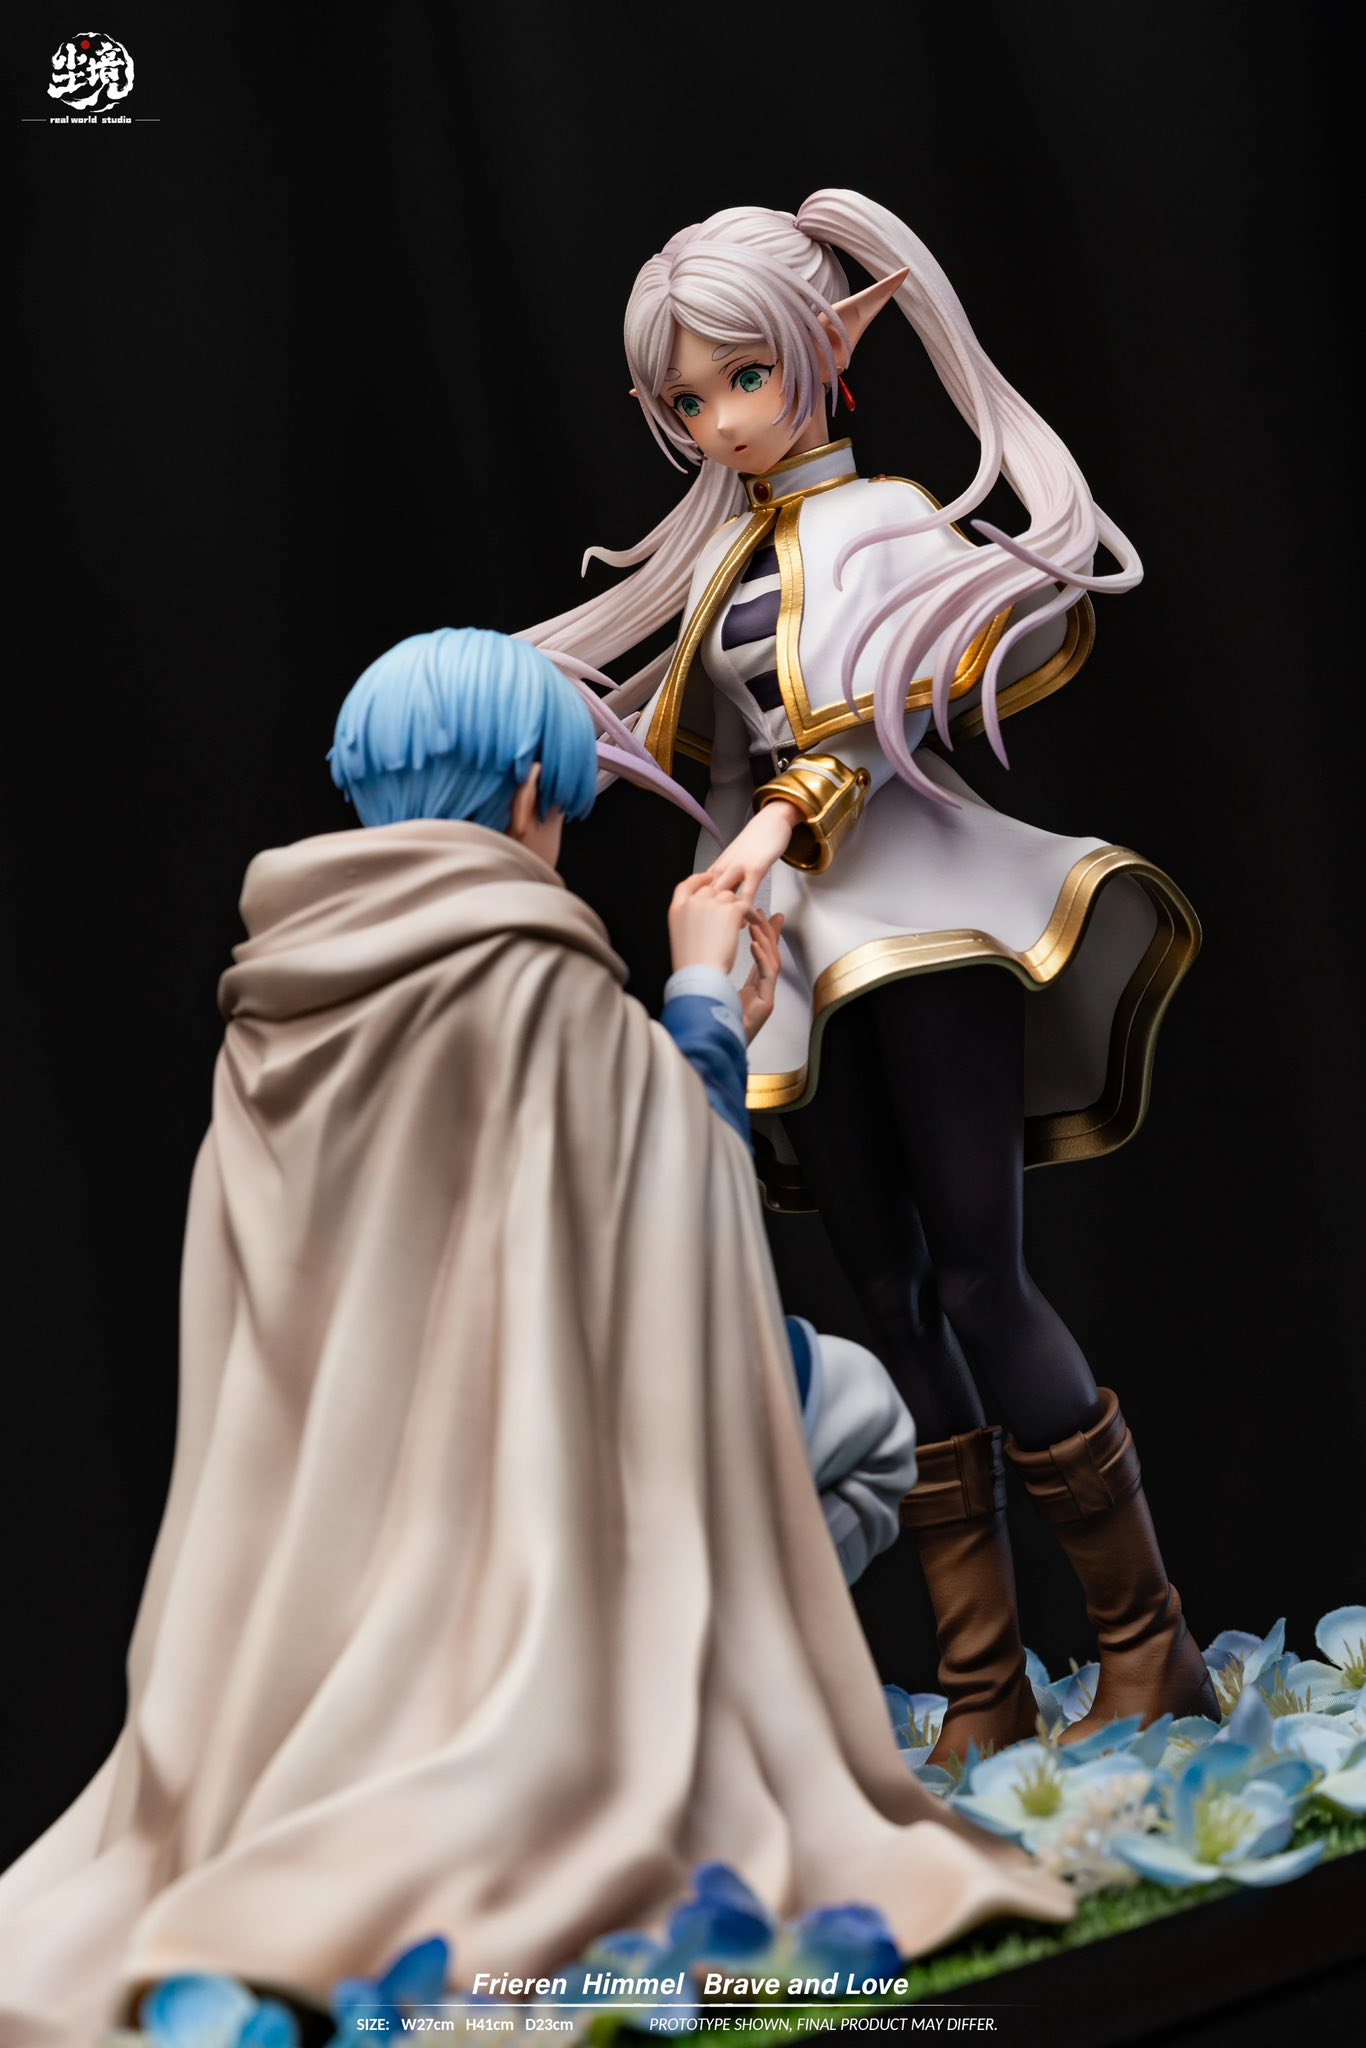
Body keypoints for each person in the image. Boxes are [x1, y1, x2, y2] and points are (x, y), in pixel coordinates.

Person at [0, 628, 1063, 2043]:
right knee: (860, 1420)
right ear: (523, 791)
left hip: (344, 1513)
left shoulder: (279, 998)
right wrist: (703, 996)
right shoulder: (520, 967)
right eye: (560, 802)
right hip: (547, 1471)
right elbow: (671, 1217)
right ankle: (672, 1700)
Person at [517, 191, 1218, 1763]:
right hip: (796, 953)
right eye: (685, 401)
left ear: (823, 353)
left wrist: (775, 827)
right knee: (884, 1293)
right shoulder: (724, 560)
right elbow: (713, 757)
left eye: (741, 380)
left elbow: (872, 727)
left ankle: (1144, 1644)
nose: (719, 422)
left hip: (920, 927)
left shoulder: (888, 523)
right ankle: (982, 1686)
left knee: (977, 1275)